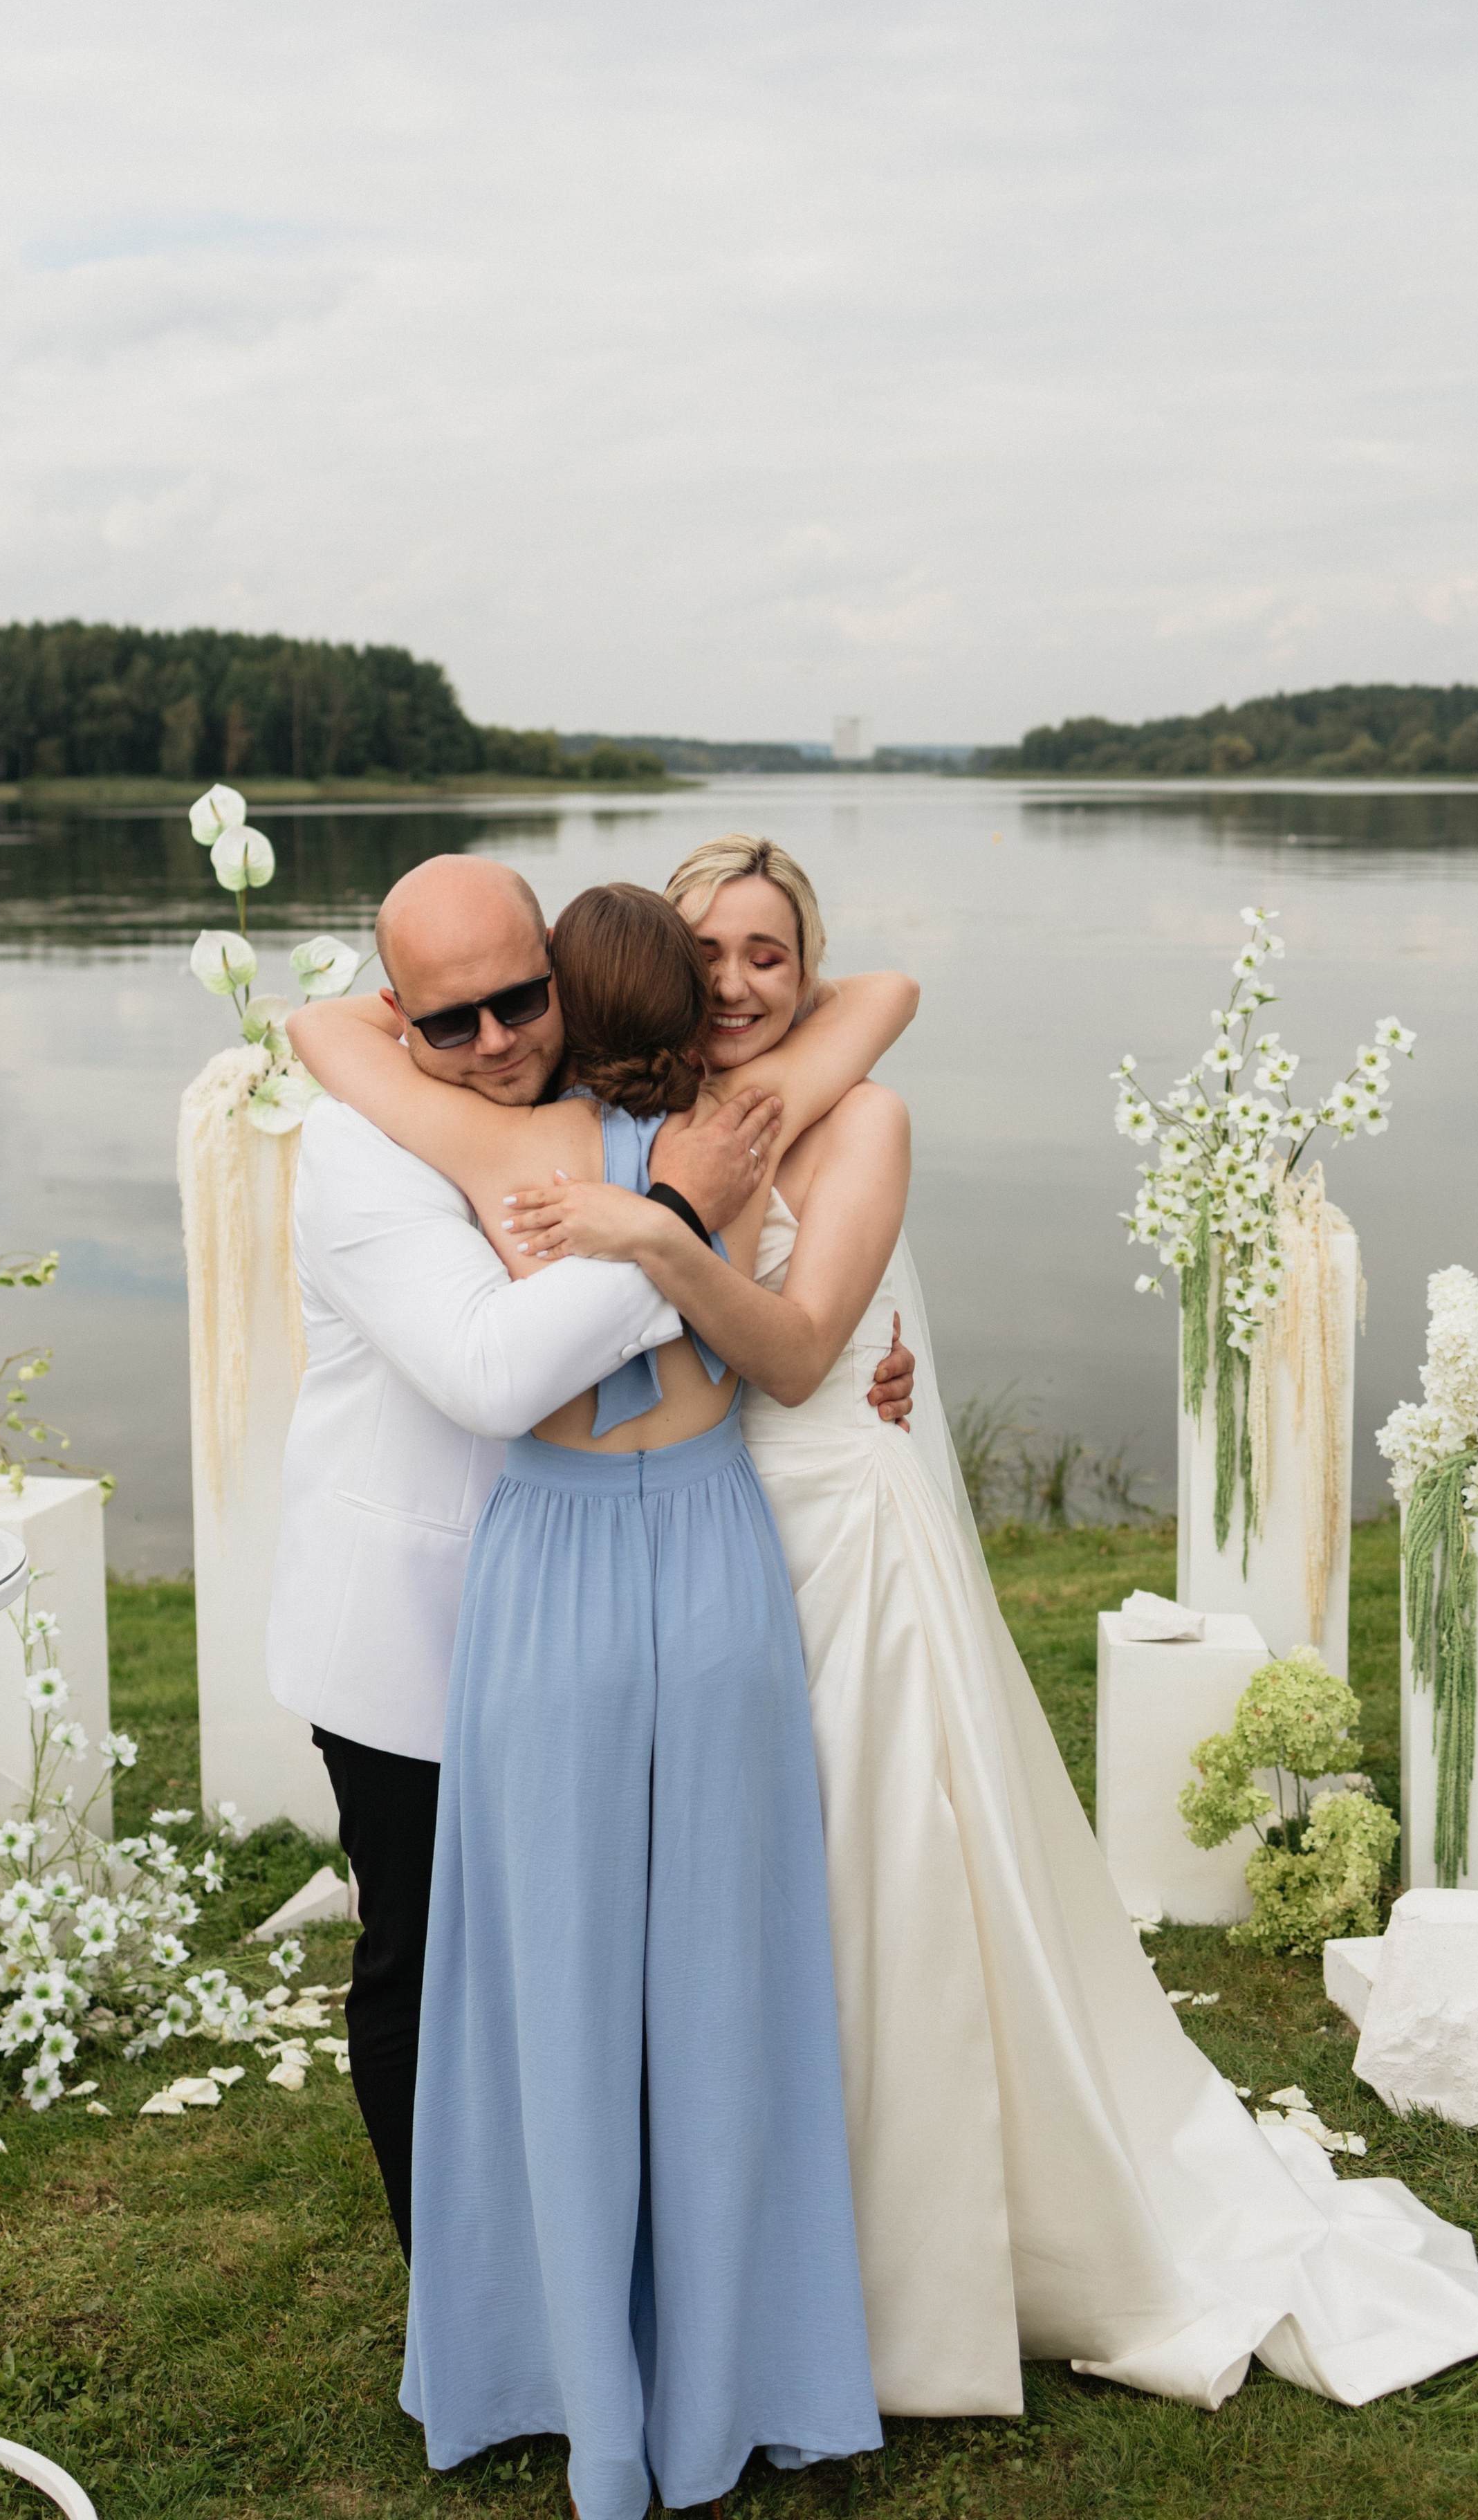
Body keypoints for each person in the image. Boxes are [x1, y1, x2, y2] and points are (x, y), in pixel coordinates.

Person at [501, 831, 1478, 2418]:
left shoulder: (852, 1119)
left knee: (873, 1886)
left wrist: (652, 1234)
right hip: (703, 1538)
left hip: (839, 1531)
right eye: (705, 952)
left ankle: (889, 2270)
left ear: (810, 969)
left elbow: (788, 1354)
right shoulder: (640, 1105)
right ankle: (725, 2246)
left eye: (769, 955)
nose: (733, 983)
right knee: (728, 1903)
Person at [289, 867, 917, 2520]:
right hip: (709, 1546)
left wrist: (636, 1211)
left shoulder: (506, 1154)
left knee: (537, 1993)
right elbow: (883, 1001)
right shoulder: (754, 1130)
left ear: (566, 996)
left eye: (522, 1003)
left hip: (546, 1563)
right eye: (458, 1016)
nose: (493, 1040)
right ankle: (737, 2377)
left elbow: (320, 1029)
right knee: (725, 1981)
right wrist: (691, 1199)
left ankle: (569, 2384)